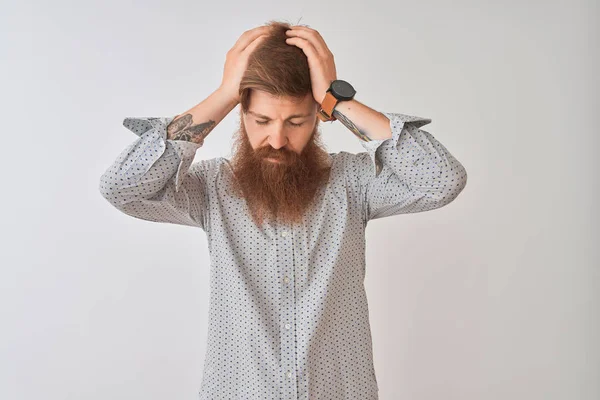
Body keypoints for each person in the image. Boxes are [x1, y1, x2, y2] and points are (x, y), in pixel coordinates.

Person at [99, 20, 467, 400]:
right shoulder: (211, 188)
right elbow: (121, 188)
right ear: (241, 114)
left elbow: (442, 180)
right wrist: (225, 93)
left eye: (296, 121)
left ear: (318, 117)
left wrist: (337, 99)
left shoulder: (354, 183)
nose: (277, 139)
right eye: (261, 120)